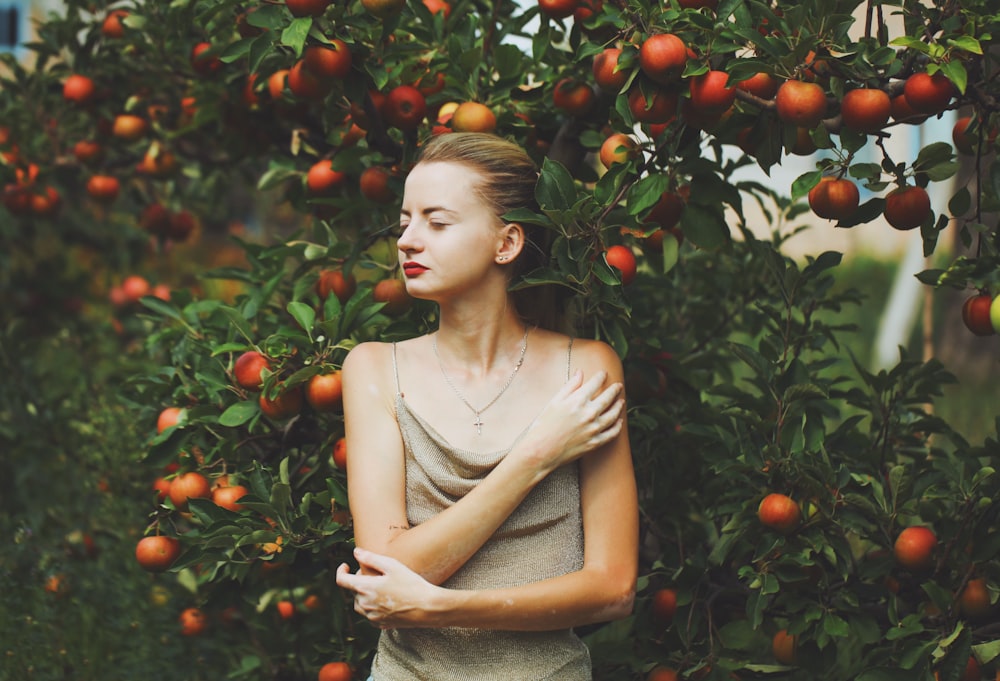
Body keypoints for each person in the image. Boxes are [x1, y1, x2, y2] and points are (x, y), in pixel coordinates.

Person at [335, 132, 639, 680]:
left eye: (437, 221)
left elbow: (613, 589)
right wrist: (534, 458)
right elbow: (388, 566)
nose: (407, 240)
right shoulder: (375, 370)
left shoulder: (587, 371)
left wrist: (441, 607)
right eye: (404, 220)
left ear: (507, 243)